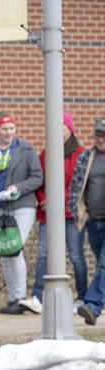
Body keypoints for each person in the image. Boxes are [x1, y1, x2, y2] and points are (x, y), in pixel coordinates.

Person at [0, 113, 43, 314]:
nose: (8, 133)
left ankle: (21, 298)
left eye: (11, 128)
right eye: (4, 129)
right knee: (4, 251)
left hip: (22, 205)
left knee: (14, 247)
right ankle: (13, 299)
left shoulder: (25, 148)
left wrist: (20, 188)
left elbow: (37, 177)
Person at [32, 113, 86, 310]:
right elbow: (38, 182)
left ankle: (82, 297)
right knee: (44, 253)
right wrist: (44, 199)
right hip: (49, 214)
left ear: (70, 129)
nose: (57, 131)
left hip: (71, 214)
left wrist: (57, 200)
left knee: (76, 256)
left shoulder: (81, 153)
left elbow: (79, 185)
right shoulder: (46, 154)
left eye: (61, 126)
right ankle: (37, 297)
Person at [75, 118, 105, 324]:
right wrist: (78, 213)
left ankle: (93, 305)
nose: (100, 139)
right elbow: (75, 187)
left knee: (104, 264)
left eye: (103, 135)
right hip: (93, 220)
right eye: (97, 135)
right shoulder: (86, 156)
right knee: (101, 264)